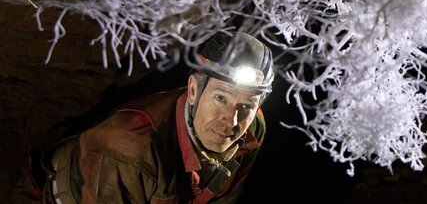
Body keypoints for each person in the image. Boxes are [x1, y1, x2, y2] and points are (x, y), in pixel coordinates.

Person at [33, 31, 274, 203]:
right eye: (221, 98)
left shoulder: (253, 129)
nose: (231, 120)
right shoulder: (129, 151)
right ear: (193, 91)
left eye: (246, 106)